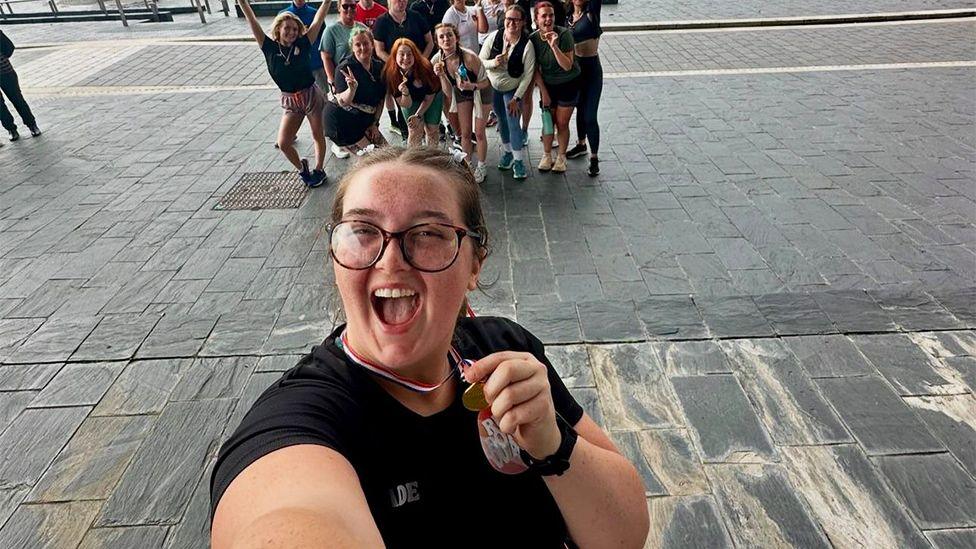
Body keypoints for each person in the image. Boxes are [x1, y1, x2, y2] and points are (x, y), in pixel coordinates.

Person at [209, 146, 650, 548]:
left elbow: (625, 534)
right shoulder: (306, 416)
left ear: (475, 264)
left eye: (428, 233)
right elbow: (284, 516)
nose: (391, 260)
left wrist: (553, 445)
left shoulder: (504, 348)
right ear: (334, 256)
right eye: (363, 231)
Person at [239, 0, 329, 187]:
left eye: (295, 29)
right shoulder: (269, 47)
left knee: (317, 134)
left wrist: (327, 1)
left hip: (311, 95)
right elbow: (251, 20)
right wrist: (242, 2)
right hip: (290, 101)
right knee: (284, 143)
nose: (291, 32)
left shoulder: (304, 44)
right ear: (278, 29)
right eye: (287, 28)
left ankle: (319, 170)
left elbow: (318, 20)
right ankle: (303, 168)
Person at [432, 23, 492, 183]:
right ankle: (468, 165)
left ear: (456, 37)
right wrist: (442, 76)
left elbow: (486, 83)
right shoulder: (437, 60)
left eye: (449, 35)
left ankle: (482, 165)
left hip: (481, 90)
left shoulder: (469, 57)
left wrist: (471, 86)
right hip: (461, 92)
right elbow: (447, 92)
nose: (446, 39)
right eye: (442, 36)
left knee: (479, 132)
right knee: (465, 133)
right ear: (437, 41)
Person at [480, 4, 534, 180]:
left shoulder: (527, 45)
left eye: (516, 20)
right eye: (509, 19)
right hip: (495, 88)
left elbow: (528, 75)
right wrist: (493, 63)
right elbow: (481, 61)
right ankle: (508, 152)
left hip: (512, 89)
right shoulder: (494, 37)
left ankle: (518, 161)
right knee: (501, 121)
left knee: (513, 123)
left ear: (523, 22)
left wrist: (517, 97)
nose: (511, 23)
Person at [323, 26, 389, 155]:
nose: (362, 48)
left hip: (363, 119)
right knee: (374, 158)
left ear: (372, 45)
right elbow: (343, 101)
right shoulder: (345, 68)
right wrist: (352, 89)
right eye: (358, 45)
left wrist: (375, 124)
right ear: (352, 48)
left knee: (389, 153)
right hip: (342, 121)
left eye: (366, 43)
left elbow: (380, 100)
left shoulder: (379, 67)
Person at [530, 1, 579, 173]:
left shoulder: (564, 34)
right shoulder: (533, 39)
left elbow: (567, 65)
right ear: (536, 19)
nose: (548, 19)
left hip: (568, 82)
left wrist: (554, 46)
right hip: (548, 85)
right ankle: (546, 154)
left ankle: (561, 156)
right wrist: (543, 91)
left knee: (562, 122)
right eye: (543, 16)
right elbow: (534, 68)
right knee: (548, 121)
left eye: (551, 15)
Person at [373, 0, 434, 138]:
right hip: (397, 71)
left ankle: (426, 126)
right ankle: (407, 133)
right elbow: (379, 50)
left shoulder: (416, 16)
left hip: (420, 69)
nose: (401, 2)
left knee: (424, 96)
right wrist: (398, 63)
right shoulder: (381, 22)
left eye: (404, 0)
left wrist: (420, 61)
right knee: (404, 105)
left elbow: (430, 42)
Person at [322, 0, 369, 159]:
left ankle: (359, 138)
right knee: (342, 109)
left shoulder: (362, 28)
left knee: (356, 111)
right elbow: (326, 57)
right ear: (339, 7)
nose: (349, 9)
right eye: (345, 6)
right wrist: (332, 81)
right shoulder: (331, 30)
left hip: (361, 79)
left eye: (352, 6)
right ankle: (340, 143)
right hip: (341, 79)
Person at [564, 0, 602, 176]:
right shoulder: (567, 16)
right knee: (579, 107)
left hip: (592, 69)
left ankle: (594, 158)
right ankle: (581, 144)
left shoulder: (592, 14)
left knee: (590, 116)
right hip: (575, 69)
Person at [385, 38, 443, 148]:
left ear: (415, 55)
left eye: (409, 54)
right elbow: (405, 104)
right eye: (401, 54)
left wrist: (418, 115)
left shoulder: (425, 68)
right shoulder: (392, 74)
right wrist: (405, 93)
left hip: (432, 96)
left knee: (432, 130)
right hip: (410, 99)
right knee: (414, 130)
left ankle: (432, 159)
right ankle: (414, 161)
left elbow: (429, 97)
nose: (405, 58)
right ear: (394, 56)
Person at [279, 0, 330, 93]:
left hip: (316, 65)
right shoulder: (283, 15)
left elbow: (323, 39)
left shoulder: (315, 14)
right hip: (294, 67)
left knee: (322, 98)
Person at [1, 30, 41, 142]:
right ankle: (11, 129)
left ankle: (32, 125)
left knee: (17, 99)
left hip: (5, 72)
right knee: (0, 107)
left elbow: (9, 47)